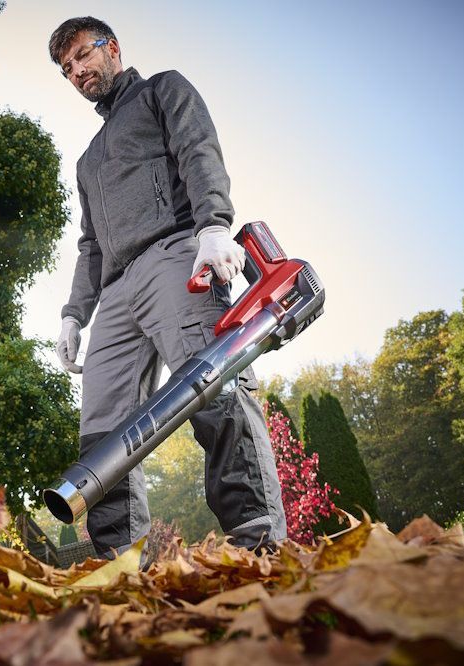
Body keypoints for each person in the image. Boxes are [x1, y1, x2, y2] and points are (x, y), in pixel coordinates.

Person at [48, 17, 287, 557]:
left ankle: (259, 545)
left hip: (176, 256)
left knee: (214, 385)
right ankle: (119, 559)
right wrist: (72, 315)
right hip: (115, 294)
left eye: (83, 55)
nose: (77, 71)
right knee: (103, 425)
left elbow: (197, 148)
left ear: (112, 47)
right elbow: (90, 244)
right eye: (67, 68)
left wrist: (213, 227)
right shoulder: (87, 161)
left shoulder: (163, 90)